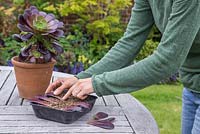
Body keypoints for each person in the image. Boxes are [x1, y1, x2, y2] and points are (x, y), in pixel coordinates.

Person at [46, 0, 200, 133]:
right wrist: (81, 78)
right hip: (192, 86)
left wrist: (97, 83)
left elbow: (167, 61)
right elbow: (130, 43)